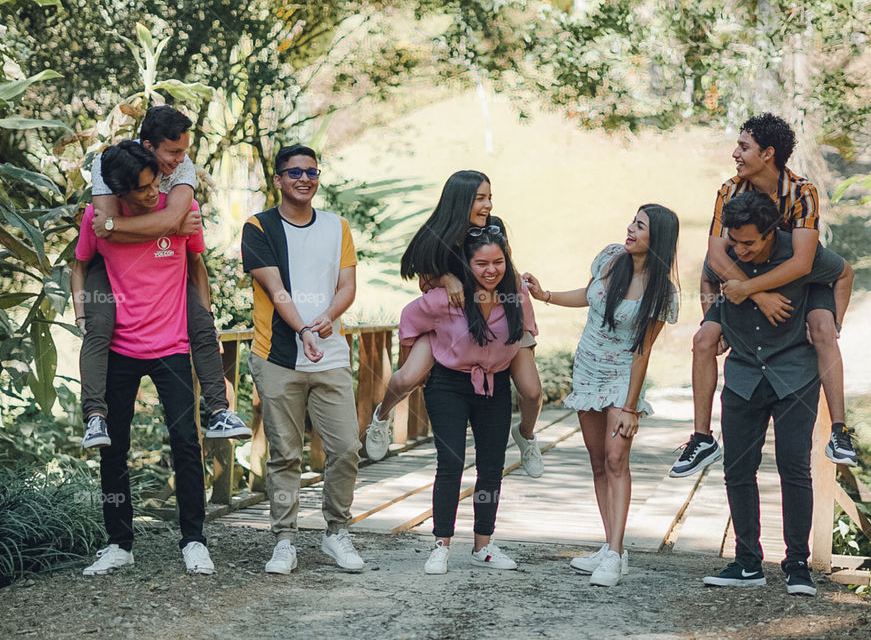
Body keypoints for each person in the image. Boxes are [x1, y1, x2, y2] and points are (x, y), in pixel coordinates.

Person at [670, 113, 856, 479]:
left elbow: (803, 262)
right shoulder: (729, 190)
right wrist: (758, 298)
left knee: (821, 327)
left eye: (743, 146)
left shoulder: (802, 191)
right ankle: (703, 437)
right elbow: (716, 255)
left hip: (799, 279)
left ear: (768, 153)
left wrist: (754, 290)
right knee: (704, 337)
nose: (735, 154)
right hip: (744, 275)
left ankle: (840, 432)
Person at [71, 141, 215, 576]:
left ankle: (194, 541)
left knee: (187, 444)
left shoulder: (181, 212)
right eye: (143, 190)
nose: (154, 194)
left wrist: (205, 320)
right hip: (120, 348)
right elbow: (80, 265)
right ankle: (120, 543)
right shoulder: (100, 221)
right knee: (113, 448)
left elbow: (196, 266)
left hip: (171, 345)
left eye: (156, 183)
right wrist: (82, 314)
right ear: (119, 192)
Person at [701, 191, 854, 596]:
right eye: (734, 240)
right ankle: (747, 561)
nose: (739, 249)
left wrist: (830, 324)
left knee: (794, 468)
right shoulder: (725, 250)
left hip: (795, 372)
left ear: (771, 233)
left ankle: (797, 564)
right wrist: (711, 317)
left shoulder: (803, 253)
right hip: (743, 373)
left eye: (749, 242)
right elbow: (708, 278)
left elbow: (844, 273)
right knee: (737, 469)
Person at [524, 204, 680, 587]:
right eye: (632, 221)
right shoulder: (612, 257)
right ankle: (614, 548)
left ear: (656, 238)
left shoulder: (662, 291)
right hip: (588, 370)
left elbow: (643, 349)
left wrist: (630, 405)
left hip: (622, 377)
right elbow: (589, 295)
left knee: (616, 461)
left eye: (639, 226)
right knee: (597, 462)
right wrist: (545, 295)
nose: (629, 229)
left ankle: (613, 554)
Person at [78, 105, 250, 449]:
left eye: (184, 150)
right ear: (147, 146)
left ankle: (219, 411)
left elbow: (156, 220)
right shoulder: (107, 166)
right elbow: (104, 228)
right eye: (173, 151)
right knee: (98, 327)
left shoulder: (183, 166)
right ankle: (94, 418)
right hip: (108, 269)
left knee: (202, 322)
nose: (181, 159)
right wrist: (164, 227)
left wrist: (140, 226)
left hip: (170, 271)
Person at [366, 170, 545, 478]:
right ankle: (381, 417)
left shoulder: (493, 227)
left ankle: (526, 435)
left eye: (490, 197)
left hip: (502, 316)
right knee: (407, 377)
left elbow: (502, 266)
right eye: (480, 199)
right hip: (447, 321)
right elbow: (416, 273)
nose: (488, 205)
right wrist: (445, 278)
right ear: (461, 201)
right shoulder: (437, 234)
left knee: (531, 391)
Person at [241, 144, 365, 575]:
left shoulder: (337, 226)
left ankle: (336, 532)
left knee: (346, 447)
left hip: (330, 357)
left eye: (311, 172)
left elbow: (347, 286)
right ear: (277, 180)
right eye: (294, 173)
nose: (304, 179)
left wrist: (328, 318)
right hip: (277, 356)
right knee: (284, 454)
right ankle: (285, 540)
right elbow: (275, 290)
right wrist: (305, 330)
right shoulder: (258, 227)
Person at [399, 227, 538, 575]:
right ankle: (441, 545)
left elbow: (527, 337)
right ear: (467, 264)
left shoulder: (516, 294)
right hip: (448, 383)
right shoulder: (450, 295)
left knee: (491, 467)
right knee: (451, 462)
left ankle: (483, 545)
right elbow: (409, 320)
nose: (491, 270)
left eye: (498, 262)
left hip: (494, 386)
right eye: (481, 264)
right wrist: (412, 366)